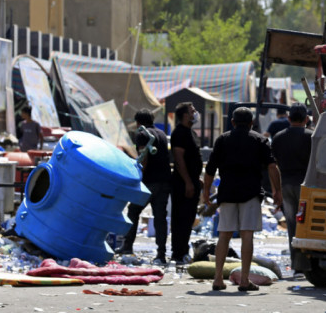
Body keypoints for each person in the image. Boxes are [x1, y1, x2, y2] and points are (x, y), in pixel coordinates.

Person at [203, 107, 282, 292]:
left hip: (227, 193)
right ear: (252, 123)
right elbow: (272, 166)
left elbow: (210, 168)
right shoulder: (259, 140)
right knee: (247, 235)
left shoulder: (222, 139)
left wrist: (206, 191)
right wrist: (277, 190)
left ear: (232, 122)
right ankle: (244, 280)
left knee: (224, 235)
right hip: (251, 193)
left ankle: (217, 279)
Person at [118, 109, 171, 265]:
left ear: (138, 122)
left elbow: (144, 158)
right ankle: (161, 254)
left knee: (133, 211)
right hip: (165, 181)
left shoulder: (142, 134)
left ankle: (127, 247)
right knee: (160, 217)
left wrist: (136, 179)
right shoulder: (161, 133)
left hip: (149, 182)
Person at [270, 103, 312, 272]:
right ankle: (309, 263)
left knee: (292, 225)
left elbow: (273, 165)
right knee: (308, 224)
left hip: (286, 185)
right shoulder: (312, 136)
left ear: (288, 119)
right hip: (307, 186)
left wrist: (276, 190)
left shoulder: (278, 137)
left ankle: (296, 265)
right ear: (306, 119)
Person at [170, 102, 203, 264]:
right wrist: (188, 182)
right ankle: (178, 252)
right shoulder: (179, 133)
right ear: (185, 115)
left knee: (189, 217)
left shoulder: (191, 133)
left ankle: (183, 250)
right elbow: (179, 159)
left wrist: (196, 179)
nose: (195, 113)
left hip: (192, 181)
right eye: (192, 111)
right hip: (183, 183)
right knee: (181, 218)